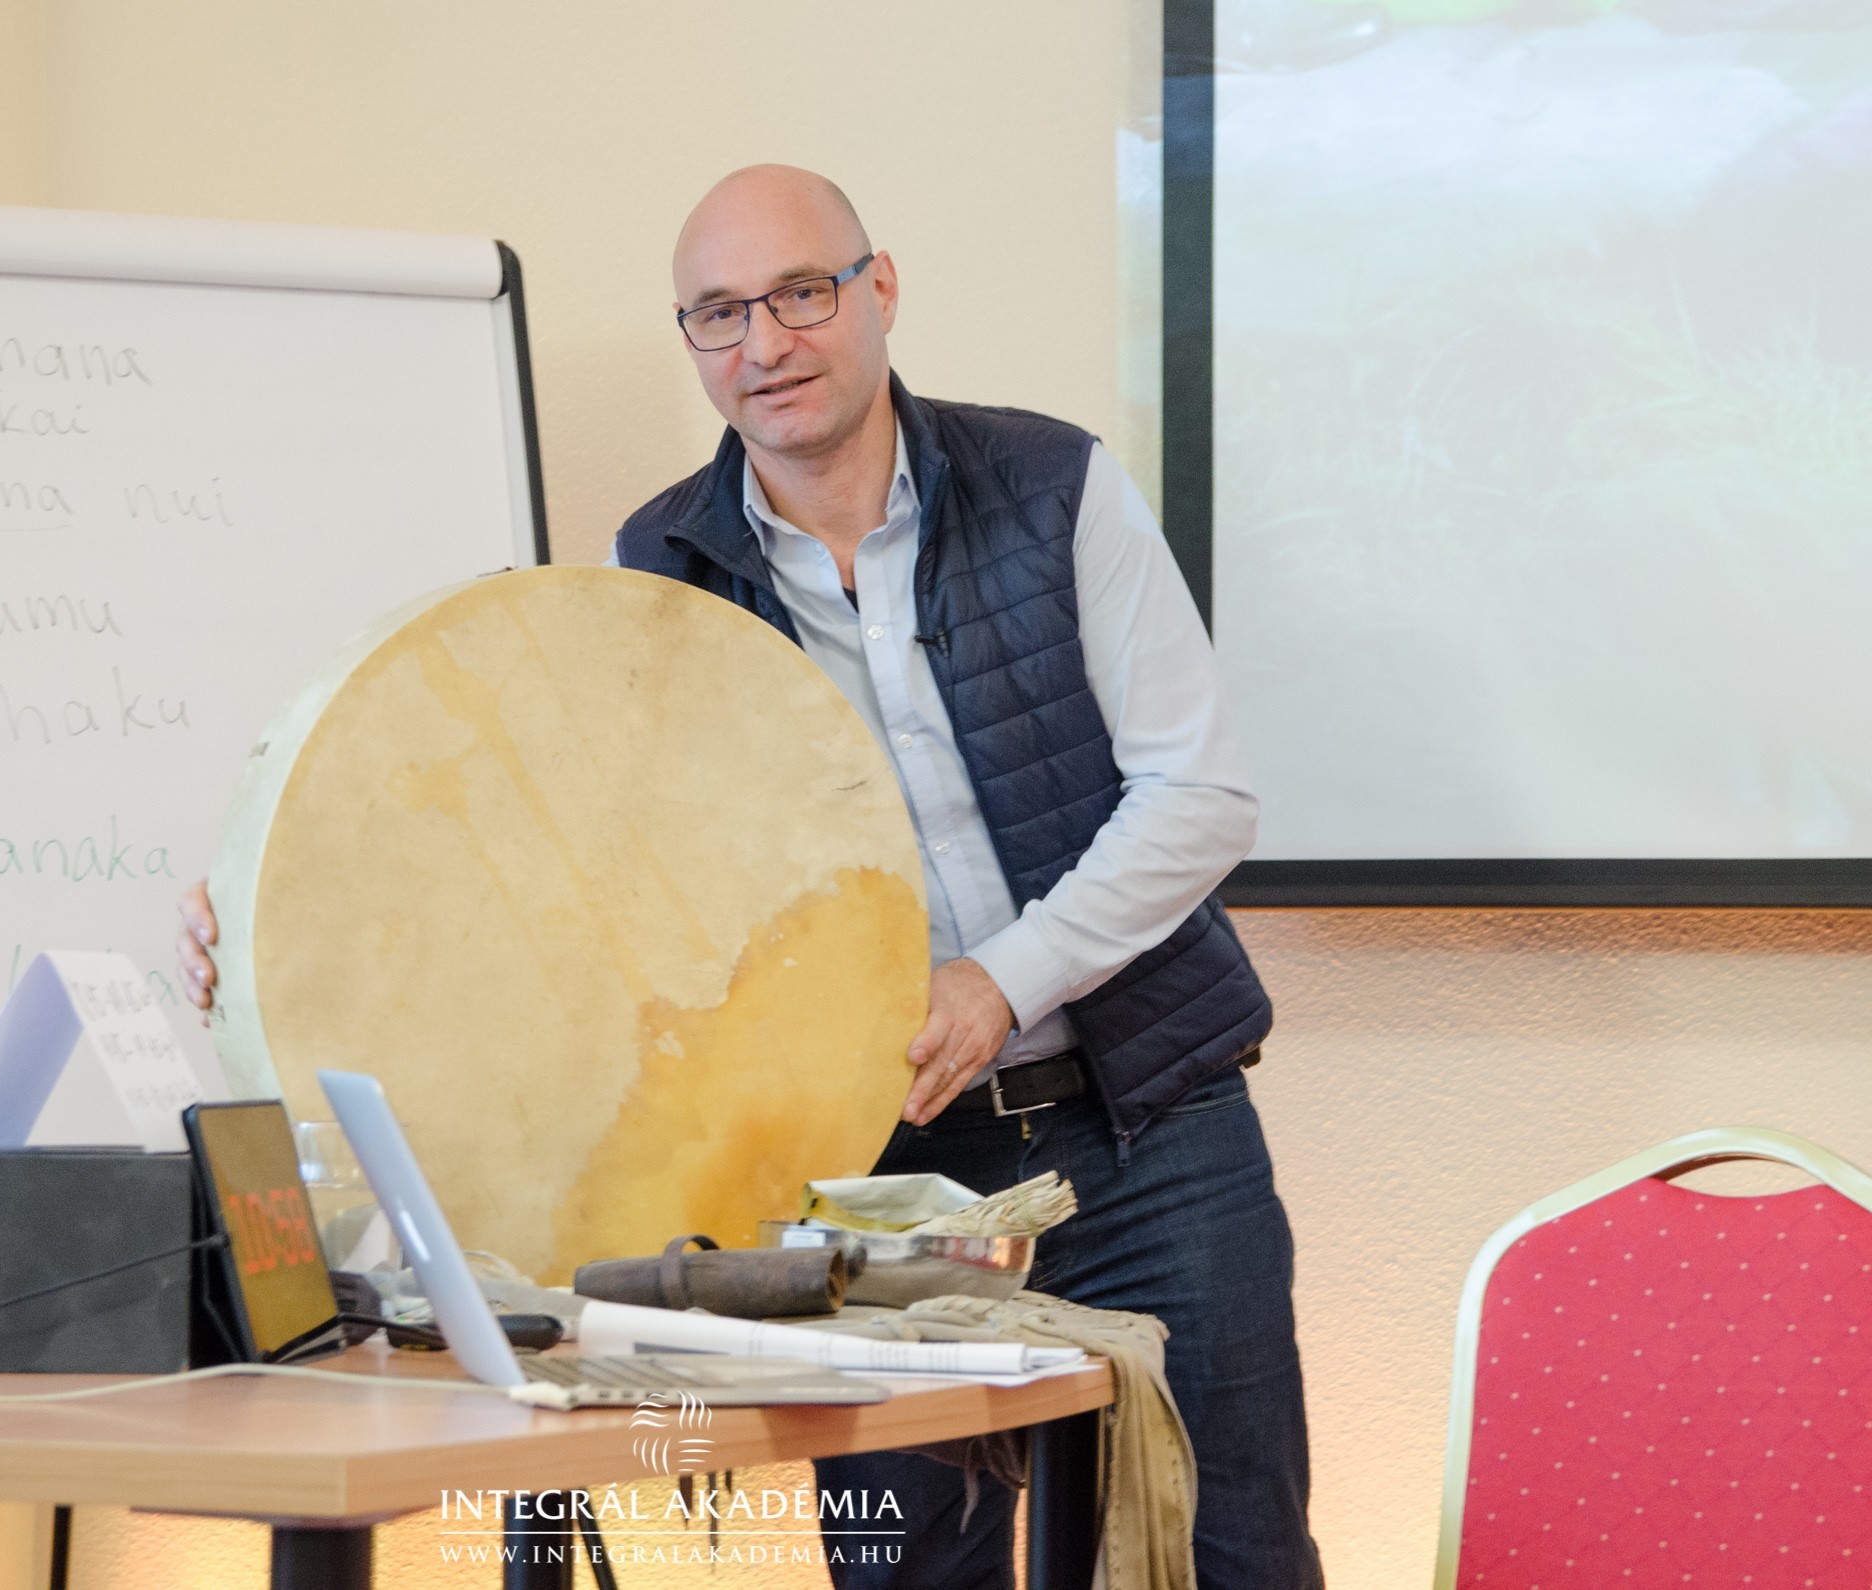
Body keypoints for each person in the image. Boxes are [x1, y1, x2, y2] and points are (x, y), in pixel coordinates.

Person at [177, 164, 1321, 1590]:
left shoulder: (1055, 484)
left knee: (1233, 1553)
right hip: (867, 1181)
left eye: (800, 293)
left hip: (1147, 1129)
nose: (764, 344)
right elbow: (564, 874)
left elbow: (1200, 797)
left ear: (879, 289)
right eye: (718, 313)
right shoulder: (653, 565)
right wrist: (266, 902)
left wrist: (999, 979)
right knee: (912, 1573)